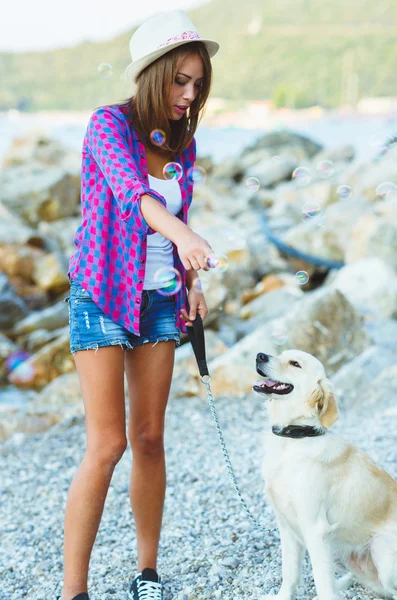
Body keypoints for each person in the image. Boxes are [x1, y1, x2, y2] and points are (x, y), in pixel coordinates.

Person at [57, 8, 220, 600]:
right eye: (180, 80)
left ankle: (146, 573)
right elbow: (134, 197)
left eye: (197, 82)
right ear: (152, 75)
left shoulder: (184, 142)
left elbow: (180, 218)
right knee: (108, 443)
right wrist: (185, 235)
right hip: (101, 294)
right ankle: (74, 590)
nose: (189, 93)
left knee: (150, 437)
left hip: (158, 301)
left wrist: (191, 280)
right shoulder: (107, 127)